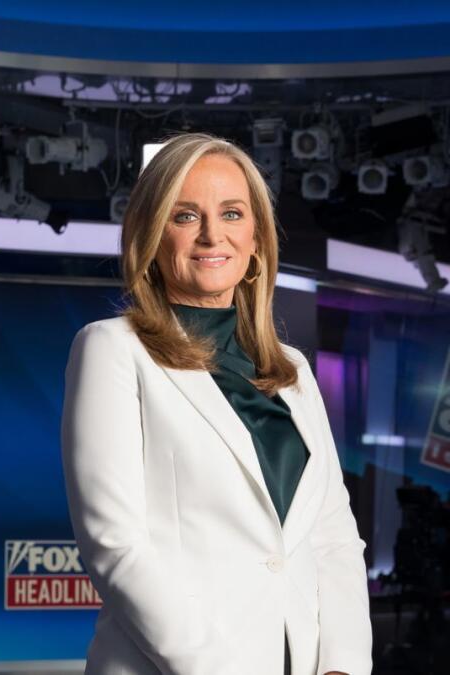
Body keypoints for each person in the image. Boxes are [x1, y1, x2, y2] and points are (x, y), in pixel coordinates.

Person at [61, 133, 372, 675]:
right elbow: (115, 543)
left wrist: (341, 665)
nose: (212, 235)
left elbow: (333, 538)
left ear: (256, 238)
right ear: (152, 234)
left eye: (232, 213)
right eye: (185, 216)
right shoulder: (111, 349)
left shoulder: (293, 371)